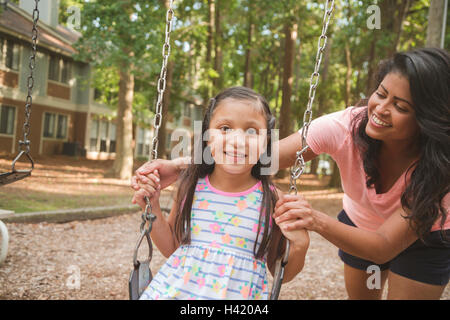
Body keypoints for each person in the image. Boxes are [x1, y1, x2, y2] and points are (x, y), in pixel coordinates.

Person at [132, 48, 450, 299]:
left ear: (427, 118)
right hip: (360, 221)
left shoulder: (442, 166)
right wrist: (178, 165)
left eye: (401, 106)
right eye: (380, 94)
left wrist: (306, 233)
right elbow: (263, 156)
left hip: (425, 233)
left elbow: (382, 246)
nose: (380, 109)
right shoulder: (343, 127)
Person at [134, 86, 309, 300]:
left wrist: (299, 245)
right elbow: (173, 247)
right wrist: (151, 207)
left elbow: (281, 272)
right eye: (225, 128)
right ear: (208, 136)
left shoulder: (272, 200)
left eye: (252, 131)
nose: (237, 141)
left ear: (267, 143)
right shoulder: (191, 186)